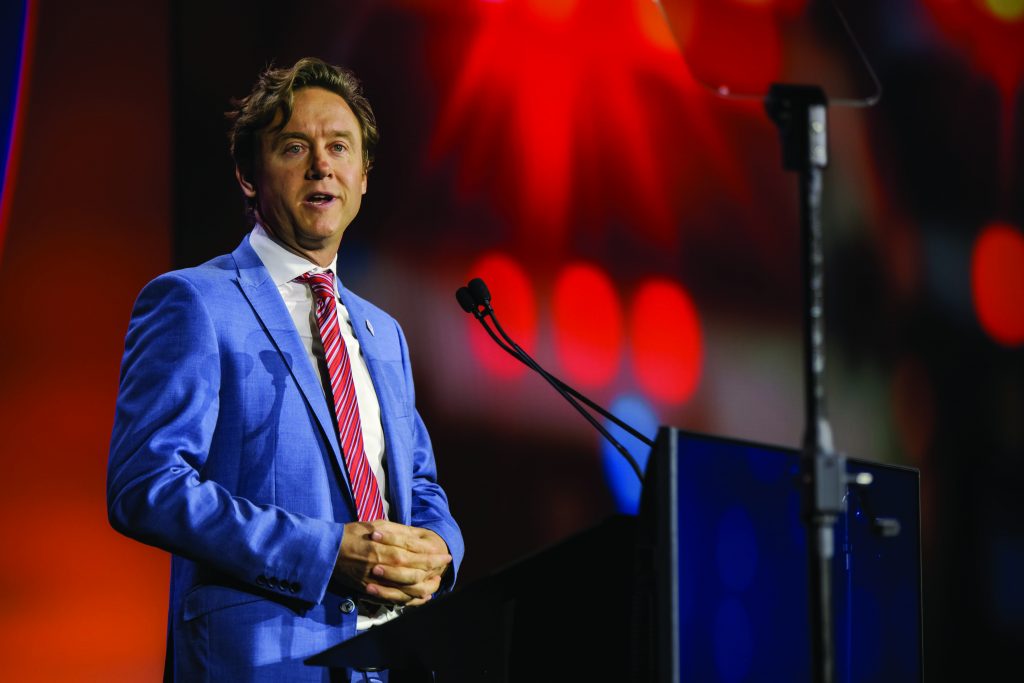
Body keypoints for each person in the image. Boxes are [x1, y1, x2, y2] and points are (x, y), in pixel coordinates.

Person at [107, 57, 463, 682]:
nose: (321, 164)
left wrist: (441, 551)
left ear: (362, 176)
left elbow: (423, 487)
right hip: (260, 660)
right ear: (248, 175)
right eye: (295, 146)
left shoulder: (385, 334)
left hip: (388, 662)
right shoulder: (194, 302)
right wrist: (324, 554)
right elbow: (147, 485)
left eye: (339, 147)